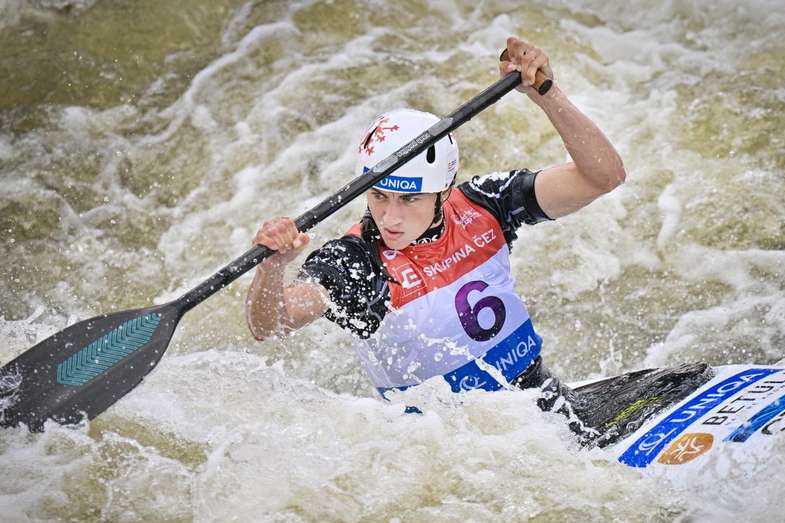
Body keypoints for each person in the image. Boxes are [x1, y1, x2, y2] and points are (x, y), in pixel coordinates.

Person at [245, 37, 625, 433]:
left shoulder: (484, 205)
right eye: (379, 196)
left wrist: (546, 94)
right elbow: (271, 325)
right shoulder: (355, 262)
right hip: (464, 450)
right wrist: (272, 269)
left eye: (409, 200)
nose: (390, 217)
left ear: (444, 191)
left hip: (551, 408)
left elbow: (604, 176)